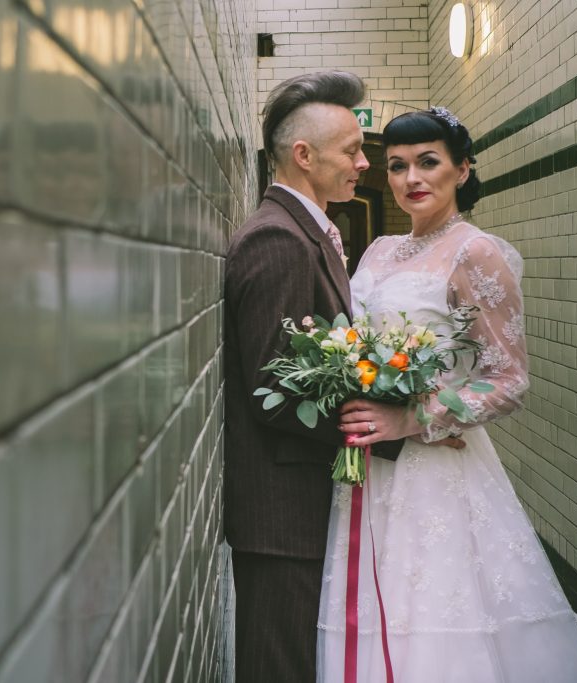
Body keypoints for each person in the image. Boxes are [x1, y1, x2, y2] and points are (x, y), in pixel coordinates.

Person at [317, 107, 577, 681]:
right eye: (397, 167)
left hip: (434, 468)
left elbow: (508, 378)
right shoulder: (377, 252)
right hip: (366, 467)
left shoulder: (477, 253)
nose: (410, 179)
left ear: (463, 169)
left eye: (428, 162)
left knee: (433, 611)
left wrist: (414, 419)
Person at [223, 71, 412, 682]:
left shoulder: (312, 233)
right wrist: (389, 426)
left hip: (305, 500)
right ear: (303, 156)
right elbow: (274, 392)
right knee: (280, 667)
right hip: (283, 513)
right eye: (353, 149)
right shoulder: (278, 241)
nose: (365, 163)